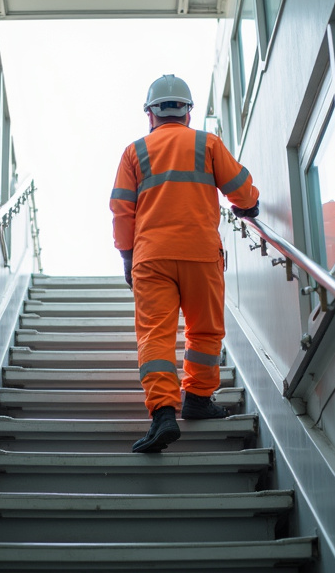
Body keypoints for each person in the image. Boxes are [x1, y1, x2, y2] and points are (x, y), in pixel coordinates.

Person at [110, 74, 260, 453]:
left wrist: (127, 255)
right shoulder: (207, 143)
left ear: (151, 114)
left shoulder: (134, 152)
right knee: (205, 331)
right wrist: (249, 204)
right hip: (201, 254)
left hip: (151, 257)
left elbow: (121, 210)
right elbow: (239, 188)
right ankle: (197, 398)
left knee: (155, 335)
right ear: (188, 112)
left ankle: (163, 413)